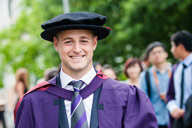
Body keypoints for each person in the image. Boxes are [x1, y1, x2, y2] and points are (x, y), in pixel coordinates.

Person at [14, 12, 157, 128]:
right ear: (56, 44)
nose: (77, 49)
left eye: (84, 41)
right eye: (68, 41)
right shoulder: (34, 102)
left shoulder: (126, 97)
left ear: (94, 44)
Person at [140, 42, 171, 128]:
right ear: (149, 58)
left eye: (159, 52)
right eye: (153, 53)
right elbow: (144, 101)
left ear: (166, 54)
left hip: (175, 118)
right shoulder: (145, 76)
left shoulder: (175, 71)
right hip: (156, 120)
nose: (157, 55)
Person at [166, 30, 192, 128]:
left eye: (173, 46)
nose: (171, 50)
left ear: (180, 46)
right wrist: (173, 108)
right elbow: (170, 94)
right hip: (179, 121)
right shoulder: (176, 68)